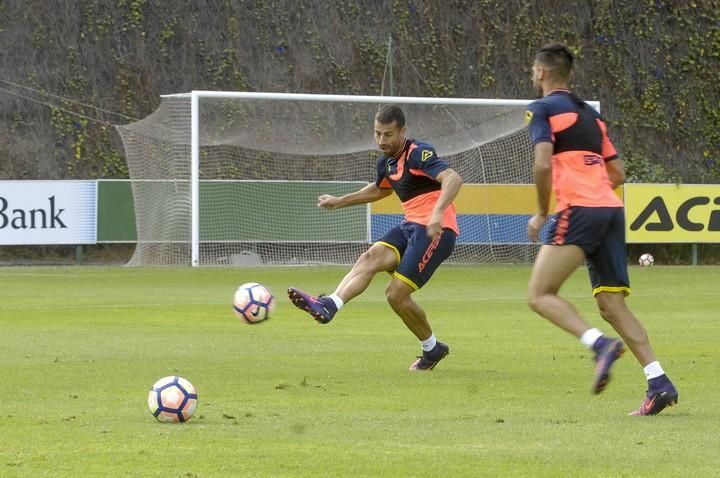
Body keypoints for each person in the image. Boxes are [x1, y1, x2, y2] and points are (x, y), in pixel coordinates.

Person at [525, 43, 678, 415]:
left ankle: (599, 345)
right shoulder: (591, 117)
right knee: (611, 304)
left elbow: (543, 166)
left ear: (542, 73)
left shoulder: (541, 109)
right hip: (611, 210)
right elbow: (618, 173)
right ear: (569, 74)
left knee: (540, 294)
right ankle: (659, 382)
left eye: (533, 70)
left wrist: (541, 213)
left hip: (580, 209)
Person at [288, 104, 463, 371]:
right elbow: (380, 190)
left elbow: (453, 178)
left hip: (436, 231)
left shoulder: (418, 153)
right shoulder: (386, 162)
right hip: (410, 227)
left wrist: (439, 211)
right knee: (370, 257)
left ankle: (432, 350)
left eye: (388, 134)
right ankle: (329, 305)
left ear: (402, 131)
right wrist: (339, 201)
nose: (382, 141)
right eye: (377, 133)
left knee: (395, 295)